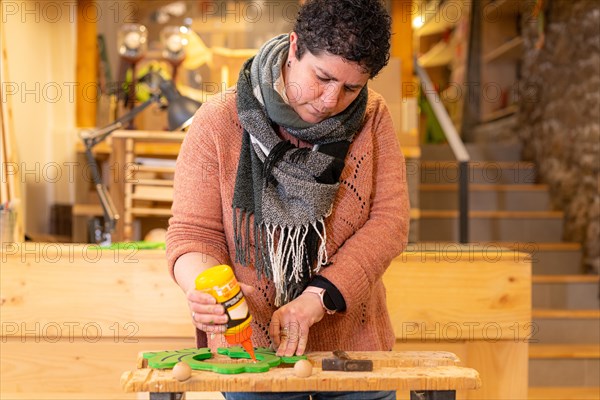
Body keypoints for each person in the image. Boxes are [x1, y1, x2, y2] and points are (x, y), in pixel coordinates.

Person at [166, 0, 410, 398]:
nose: (331, 100)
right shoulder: (218, 120)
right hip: (251, 350)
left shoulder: (373, 117)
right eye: (322, 77)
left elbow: (389, 223)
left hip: (354, 348)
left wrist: (318, 298)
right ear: (295, 47)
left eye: (351, 87)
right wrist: (205, 288)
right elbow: (193, 233)